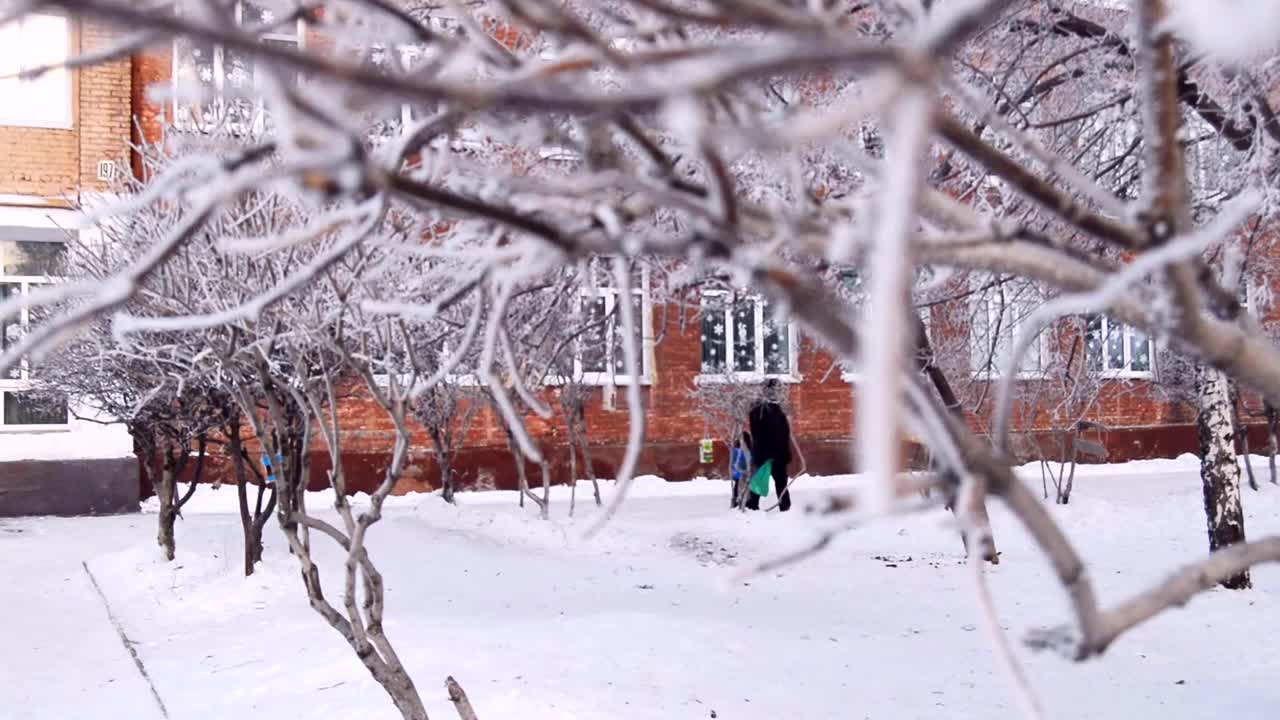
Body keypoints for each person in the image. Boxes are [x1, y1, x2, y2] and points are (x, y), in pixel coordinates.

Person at [745, 379, 793, 512]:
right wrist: (770, 455)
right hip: (769, 454)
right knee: (763, 479)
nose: (779, 392)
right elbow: (762, 435)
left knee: (777, 480)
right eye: (777, 389)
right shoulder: (762, 410)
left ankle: (783, 506)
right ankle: (753, 506)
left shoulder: (773, 408)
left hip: (775, 454)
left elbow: (783, 434)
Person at [729, 432, 751, 509]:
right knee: (745, 489)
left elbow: (732, 463)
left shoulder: (734, 451)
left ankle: (735, 503)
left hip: (736, 474)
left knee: (736, 487)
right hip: (745, 474)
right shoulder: (748, 452)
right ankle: (745, 503)